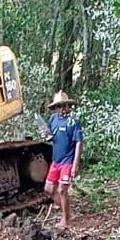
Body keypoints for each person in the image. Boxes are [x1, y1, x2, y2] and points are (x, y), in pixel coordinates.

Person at [40, 90, 84, 228]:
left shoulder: (73, 121)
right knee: (48, 189)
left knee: (62, 190)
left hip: (68, 161)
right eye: (58, 106)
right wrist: (45, 133)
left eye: (63, 105)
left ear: (68, 106)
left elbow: (78, 142)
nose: (61, 109)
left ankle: (66, 220)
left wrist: (75, 164)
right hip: (56, 160)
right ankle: (68, 212)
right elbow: (50, 135)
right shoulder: (53, 119)